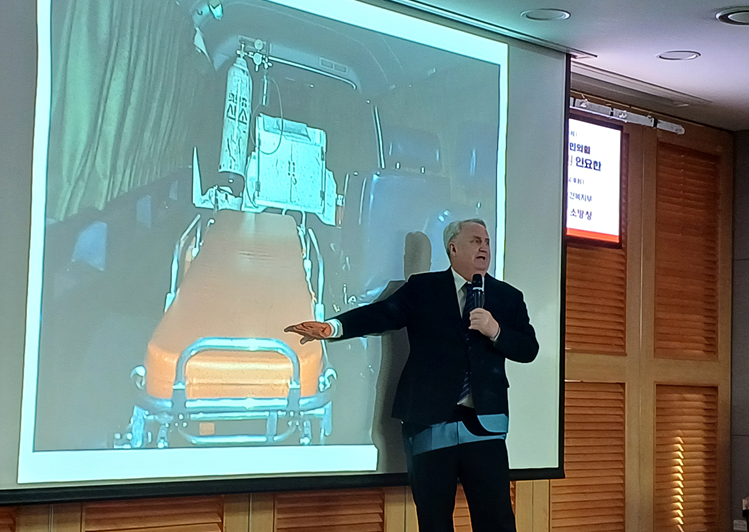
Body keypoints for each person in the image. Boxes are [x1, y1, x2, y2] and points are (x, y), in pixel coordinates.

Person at [285, 219, 538, 532]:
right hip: (429, 422)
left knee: (497, 522)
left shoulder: (508, 297)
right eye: (475, 240)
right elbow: (382, 314)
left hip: (484, 426)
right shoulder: (423, 288)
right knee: (433, 521)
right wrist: (334, 328)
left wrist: (496, 330)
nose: (484, 247)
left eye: (486, 241)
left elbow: (528, 348)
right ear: (453, 248)